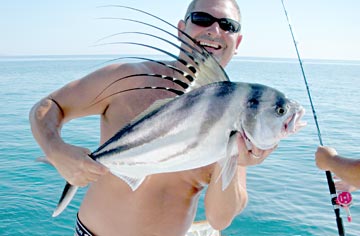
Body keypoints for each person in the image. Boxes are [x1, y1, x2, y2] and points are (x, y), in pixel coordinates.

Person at [29, 0, 275, 235]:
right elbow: (50, 105)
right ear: (182, 29)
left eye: (227, 25)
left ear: (237, 40)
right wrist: (56, 150)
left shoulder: (239, 116)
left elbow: (219, 218)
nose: (214, 30)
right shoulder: (128, 78)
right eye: (202, 19)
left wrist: (231, 157)